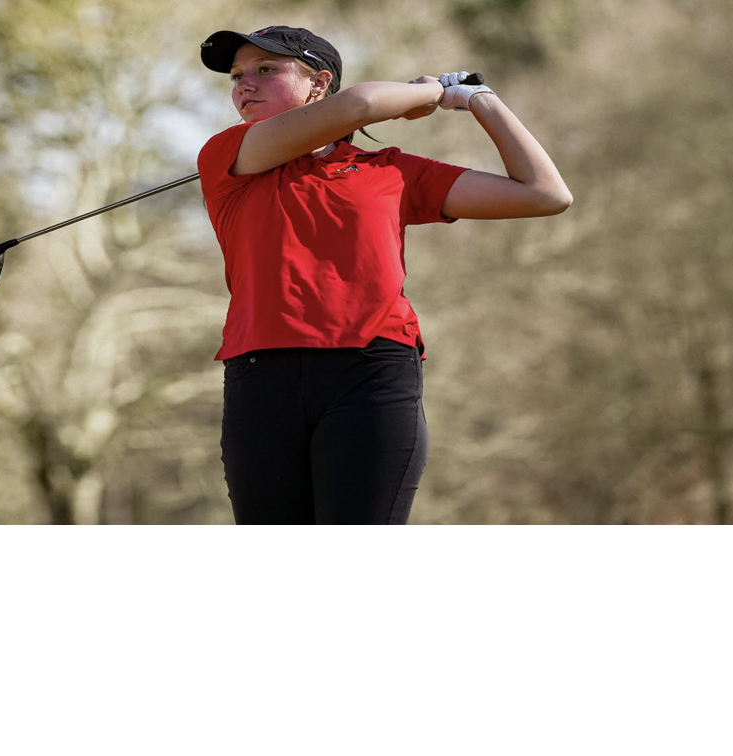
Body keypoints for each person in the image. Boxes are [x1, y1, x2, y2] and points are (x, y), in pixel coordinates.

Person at [197, 26, 572, 525]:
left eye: (266, 70)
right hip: (260, 379)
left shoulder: (392, 171)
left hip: (370, 375)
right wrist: (431, 93)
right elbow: (360, 104)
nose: (245, 84)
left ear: (318, 82)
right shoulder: (227, 156)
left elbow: (546, 195)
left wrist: (478, 98)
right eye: (238, 75)